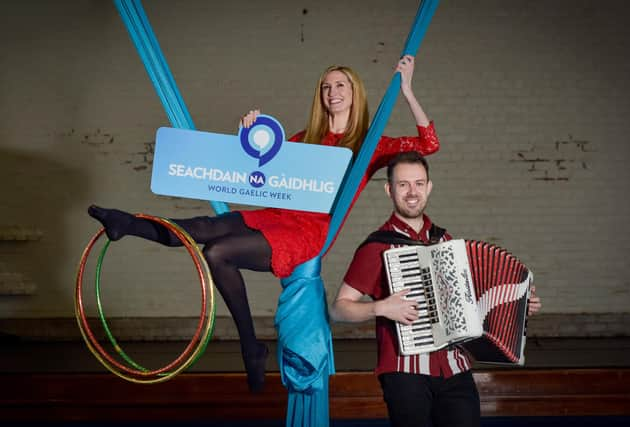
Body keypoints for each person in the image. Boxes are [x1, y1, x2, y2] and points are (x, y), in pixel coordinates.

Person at [88, 55, 441, 393]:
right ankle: (127, 223)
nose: (332, 92)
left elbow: (429, 144)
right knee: (203, 228)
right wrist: (250, 132)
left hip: (307, 233)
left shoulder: (369, 145)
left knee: (217, 253)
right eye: (325, 86)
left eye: (341, 85)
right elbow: (255, 168)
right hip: (274, 216)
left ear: (355, 93)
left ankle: (249, 346)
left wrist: (407, 90)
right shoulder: (302, 140)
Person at [330, 151, 542, 427]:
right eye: (403, 184)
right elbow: (338, 309)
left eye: (419, 183)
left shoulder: (445, 241)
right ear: (389, 190)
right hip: (405, 372)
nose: (411, 192)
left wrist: (521, 304)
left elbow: (473, 298)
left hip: (455, 367)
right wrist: (380, 307)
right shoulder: (376, 247)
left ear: (429, 187)